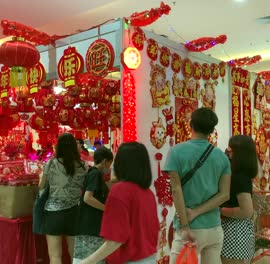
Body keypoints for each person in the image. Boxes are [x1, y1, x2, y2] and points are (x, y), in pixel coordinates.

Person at [164, 107, 231, 264]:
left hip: (189, 229)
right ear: (212, 130)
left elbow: (176, 189)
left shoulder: (176, 152)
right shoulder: (222, 157)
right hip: (214, 227)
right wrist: (197, 211)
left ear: (190, 124)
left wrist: (186, 225)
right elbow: (224, 194)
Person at [80, 142, 159, 264]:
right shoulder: (148, 194)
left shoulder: (119, 191)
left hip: (127, 259)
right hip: (149, 258)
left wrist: (89, 261)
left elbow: (116, 239)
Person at [39, 133, 87, 264]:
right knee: (75, 254)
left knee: (55, 256)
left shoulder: (51, 164)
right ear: (74, 147)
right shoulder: (83, 165)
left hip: (54, 213)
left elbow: (41, 186)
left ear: (58, 147)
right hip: (74, 211)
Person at [220, 135, 258, 263]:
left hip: (234, 232)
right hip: (239, 231)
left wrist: (220, 210)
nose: (228, 155)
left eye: (230, 152)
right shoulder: (243, 175)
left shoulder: (239, 177)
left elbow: (246, 210)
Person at [73, 147, 114, 264]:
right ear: (105, 161)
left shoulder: (93, 173)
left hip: (89, 225)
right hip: (90, 226)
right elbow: (88, 198)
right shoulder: (95, 174)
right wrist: (106, 209)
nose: (110, 167)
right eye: (110, 163)